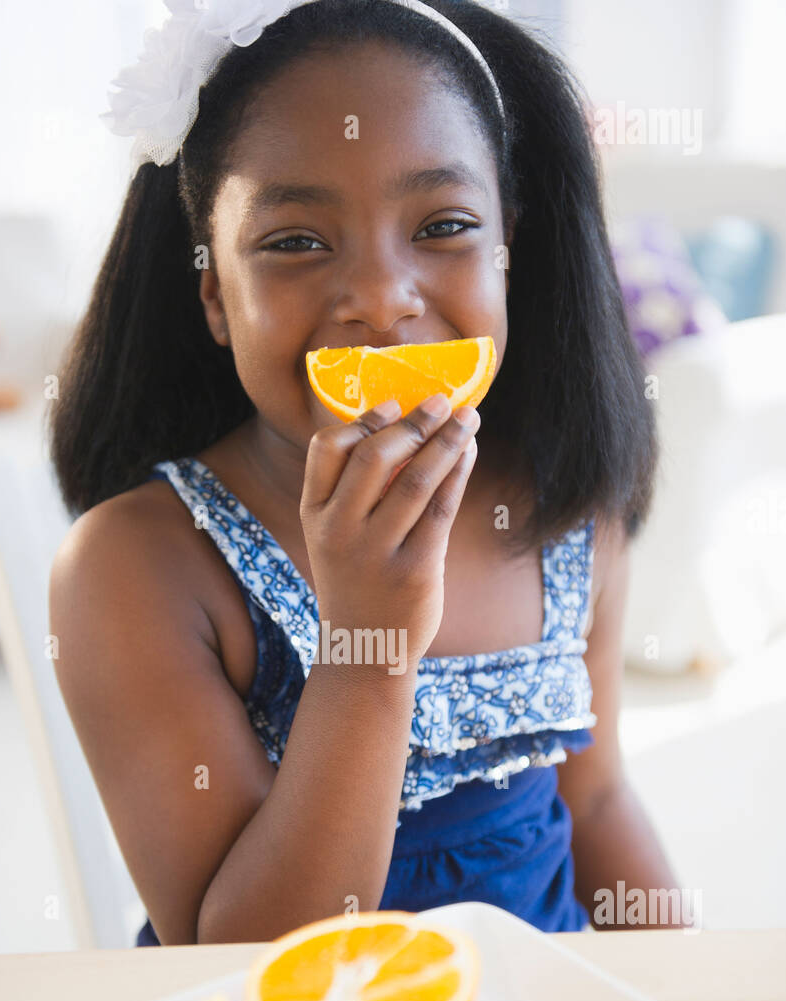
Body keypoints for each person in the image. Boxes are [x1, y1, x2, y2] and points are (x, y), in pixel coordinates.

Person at [48, 0, 685, 946]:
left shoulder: (566, 510)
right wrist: (368, 647)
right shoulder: (135, 567)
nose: (382, 301)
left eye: (444, 225)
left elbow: (594, 804)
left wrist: (690, 991)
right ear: (215, 295)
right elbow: (234, 959)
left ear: (508, 250)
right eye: (295, 242)